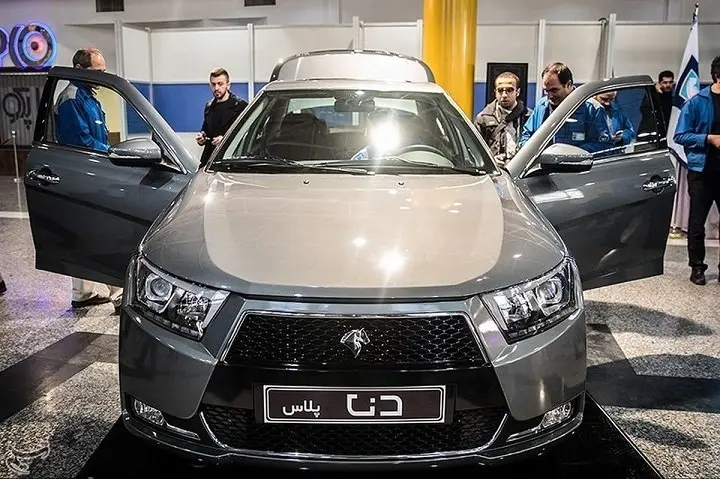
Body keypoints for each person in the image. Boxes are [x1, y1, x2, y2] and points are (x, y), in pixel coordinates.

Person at [54, 47, 123, 311]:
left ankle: (82, 293)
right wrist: (112, 153)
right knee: (101, 232)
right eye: (97, 72)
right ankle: (119, 294)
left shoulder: (89, 97)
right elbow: (81, 143)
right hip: (82, 177)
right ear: (79, 70)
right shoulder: (72, 99)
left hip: (93, 173)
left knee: (83, 234)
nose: (101, 77)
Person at [673, 55, 720, 285]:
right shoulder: (696, 102)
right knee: (696, 224)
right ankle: (697, 268)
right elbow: (680, 135)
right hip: (702, 172)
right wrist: (708, 138)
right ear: (718, 76)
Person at [519, 62, 608, 153]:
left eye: (554, 90)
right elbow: (527, 135)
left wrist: (571, 153)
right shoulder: (541, 106)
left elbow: (603, 145)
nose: (549, 96)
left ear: (568, 84)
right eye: (546, 91)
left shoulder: (592, 109)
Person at [474, 71, 532, 165]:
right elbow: (476, 151)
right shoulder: (484, 118)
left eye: (509, 90)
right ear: (495, 92)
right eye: (500, 90)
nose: (504, 95)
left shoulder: (529, 117)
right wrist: (490, 161)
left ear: (517, 92)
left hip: (522, 167)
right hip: (496, 169)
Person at [196, 68, 248, 167]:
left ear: (228, 85)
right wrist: (202, 137)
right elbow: (206, 129)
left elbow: (246, 135)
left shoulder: (240, 106)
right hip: (209, 159)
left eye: (220, 84)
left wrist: (225, 140)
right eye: (213, 84)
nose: (216, 88)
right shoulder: (209, 106)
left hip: (231, 160)